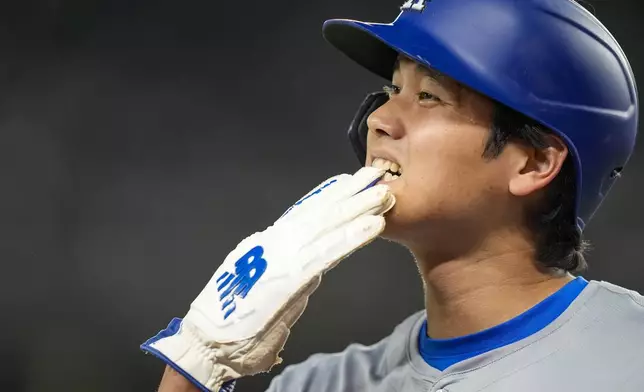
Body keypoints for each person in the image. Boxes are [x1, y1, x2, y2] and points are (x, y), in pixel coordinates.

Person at [141, 0, 643, 391]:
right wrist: (197, 362)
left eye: (428, 95)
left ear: (534, 163)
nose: (379, 120)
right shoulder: (320, 385)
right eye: (391, 90)